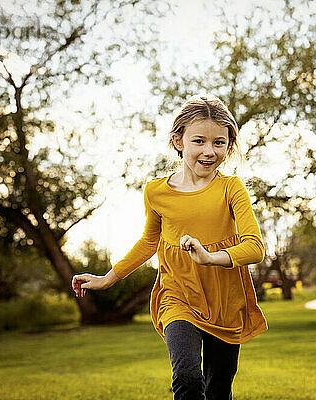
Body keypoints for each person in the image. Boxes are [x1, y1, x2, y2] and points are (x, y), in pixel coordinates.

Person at [71, 94, 268, 400]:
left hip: (225, 298)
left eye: (219, 143)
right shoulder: (156, 191)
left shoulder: (232, 188)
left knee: (219, 387)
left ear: (229, 146)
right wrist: (108, 278)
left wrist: (209, 257)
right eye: (199, 141)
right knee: (188, 377)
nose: (209, 151)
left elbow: (254, 248)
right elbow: (150, 240)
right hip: (178, 294)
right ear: (179, 141)